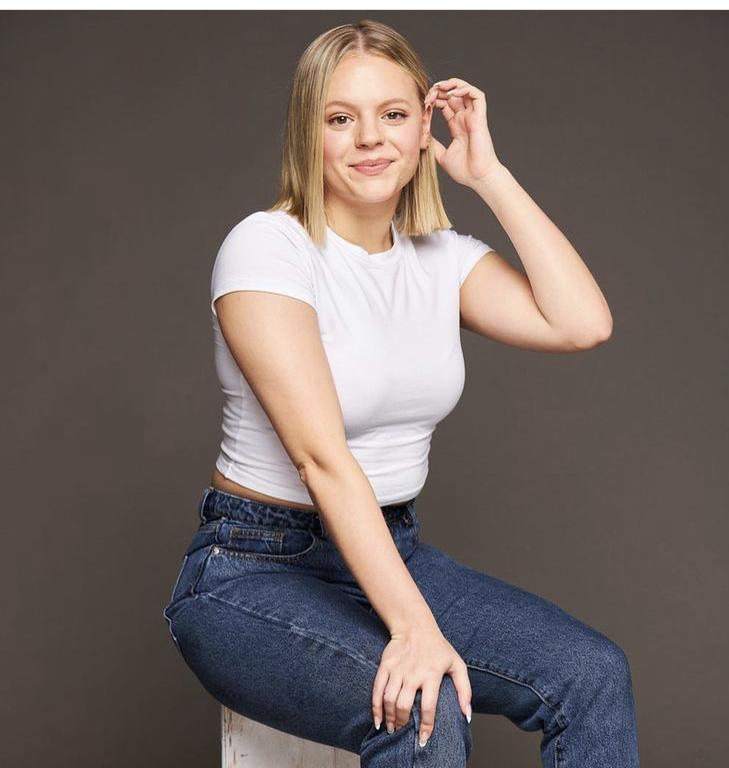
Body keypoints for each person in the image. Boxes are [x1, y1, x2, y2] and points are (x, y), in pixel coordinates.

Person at [162, 18, 640, 768]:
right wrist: (415, 628)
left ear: (424, 127)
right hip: (252, 569)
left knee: (592, 675)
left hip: (394, 548)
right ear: (309, 133)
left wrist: (488, 175)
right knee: (424, 711)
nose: (369, 139)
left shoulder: (441, 260)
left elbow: (582, 323)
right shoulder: (267, 248)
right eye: (340, 118)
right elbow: (322, 460)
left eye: (392, 114)